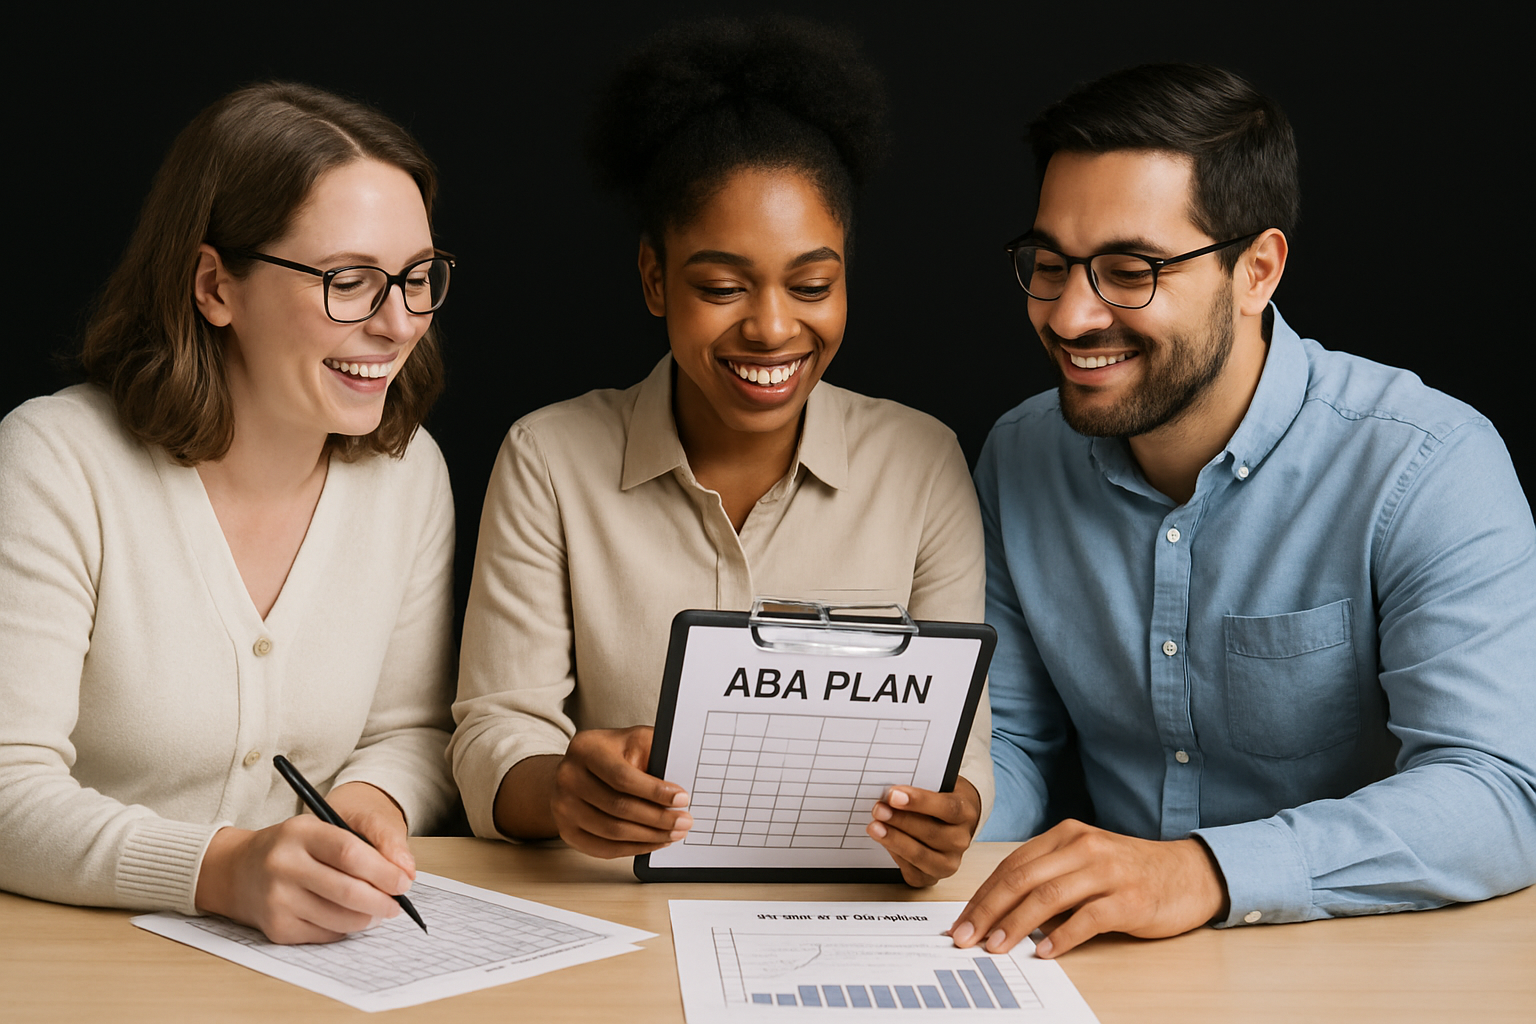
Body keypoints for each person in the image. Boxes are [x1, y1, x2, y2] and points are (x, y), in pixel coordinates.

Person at [949, 63, 1536, 958]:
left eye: (1129, 271)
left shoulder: (1429, 463)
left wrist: (1200, 871)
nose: (1068, 317)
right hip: (1109, 964)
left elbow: (1499, 789)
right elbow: (1016, 744)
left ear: (1256, 270)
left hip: (1369, 964)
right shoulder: (1021, 454)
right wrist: (955, 813)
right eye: (1052, 265)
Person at [449, 17, 993, 886]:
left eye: (811, 284)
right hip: (618, 908)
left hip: (849, 914)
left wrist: (950, 815)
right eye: (721, 286)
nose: (773, 327)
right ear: (655, 278)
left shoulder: (921, 463)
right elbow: (493, 731)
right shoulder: (548, 458)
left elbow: (961, 752)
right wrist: (562, 792)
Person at [0, 83, 459, 944]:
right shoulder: (55, 460)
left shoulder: (410, 475)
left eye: (417, 278)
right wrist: (220, 870)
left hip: (308, 965)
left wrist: (371, 801)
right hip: (71, 961)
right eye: (349, 281)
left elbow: (412, 731)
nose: (400, 325)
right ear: (215, 285)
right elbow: (6, 786)